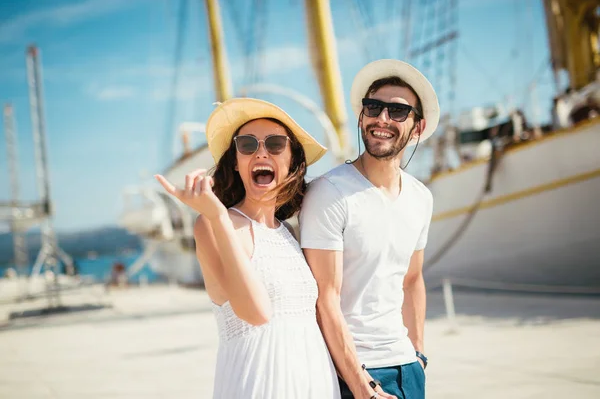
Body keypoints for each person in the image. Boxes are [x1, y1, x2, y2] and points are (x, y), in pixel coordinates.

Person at [155, 98, 340, 399]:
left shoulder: (289, 231)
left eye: (276, 144)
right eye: (248, 144)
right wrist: (216, 216)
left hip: (314, 380)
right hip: (259, 385)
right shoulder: (212, 225)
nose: (261, 151)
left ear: (292, 161)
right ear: (237, 163)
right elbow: (256, 313)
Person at [299, 59, 439, 399]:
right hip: (351, 373)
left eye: (398, 111)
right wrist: (362, 387)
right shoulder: (328, 193)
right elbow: (324, 300)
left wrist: (417, 354)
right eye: (373, 107)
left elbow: (412, 280)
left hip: (408, 368)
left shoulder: (421, 197)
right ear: (362, 117)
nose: (383, 119)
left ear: (417, 127)